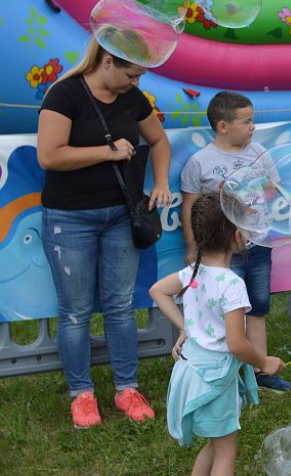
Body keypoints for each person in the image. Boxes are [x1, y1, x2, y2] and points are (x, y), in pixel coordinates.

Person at [36, 37, 173, 428]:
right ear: (108, 61)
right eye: (131, 74)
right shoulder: (64, 95)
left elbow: (158, 140)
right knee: (76, 312)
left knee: (119, 307)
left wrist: (160, 181)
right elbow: (49, 155)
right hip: (69, 219)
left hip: (120, 216)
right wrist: (107, 152)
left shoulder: (132, 98)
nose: (135, 82)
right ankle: (82, 394)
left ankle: (126, 388)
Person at [149, 193, 285, 475]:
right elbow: (236, 344)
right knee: (225, 453)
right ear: (237, 235)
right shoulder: (231, 284)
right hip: (215, 379)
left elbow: (158, 291)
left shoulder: (192, 273)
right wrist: (264, 362)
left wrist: (184, 326)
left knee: (214, 445)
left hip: (192, 372)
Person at [179, 91, 291, 393]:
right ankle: (230, 376)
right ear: (223, 126)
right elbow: (190, 207)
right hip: (220, 254)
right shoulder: (200, 163)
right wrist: (194, 246)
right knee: (227, 311)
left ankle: (260, 371)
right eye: (246, 121)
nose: (253, 127)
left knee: (257, 307)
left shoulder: (260, 154)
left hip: (258, 246)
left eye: (253, 120)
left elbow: (270, 189)